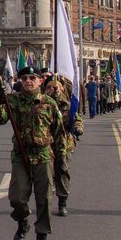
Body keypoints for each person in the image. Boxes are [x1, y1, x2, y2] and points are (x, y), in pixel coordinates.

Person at [0, 67, 61, 240]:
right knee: (16, 197)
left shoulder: (48, 103)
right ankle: (23, 221)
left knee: (44, 200)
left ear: (40, 81)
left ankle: (42, 239)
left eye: (32, 77)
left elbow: (57, 129)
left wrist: (55, 154)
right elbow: (1, 120)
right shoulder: (13, 100)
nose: (28, 81)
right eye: (24, 78)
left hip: (42, 156)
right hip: (21, 156)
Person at [43, 74, 83, 217]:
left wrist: (78, 128)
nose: (53, 90)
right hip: (46, 146)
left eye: (56, 87)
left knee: (62, 172)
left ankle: (62, 202)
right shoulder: (42, 105)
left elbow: (77, 119)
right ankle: (45, 204)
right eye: (49, 87)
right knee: (46, 175)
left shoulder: (67, 105)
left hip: (65, 145)